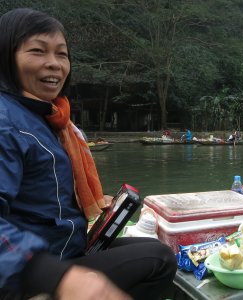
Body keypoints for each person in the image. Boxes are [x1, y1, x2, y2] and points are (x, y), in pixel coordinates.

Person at [0, 8, 177, 300]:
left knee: (156, 251)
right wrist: (53, 276)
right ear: (7, 56)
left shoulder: (48, 118)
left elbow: (42, 196)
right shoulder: (7, 121)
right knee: (159, 260)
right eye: (37, 51)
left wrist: (90, 206)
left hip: (65, 249)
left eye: (62, 54)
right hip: (28, 273)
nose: (54, 64)